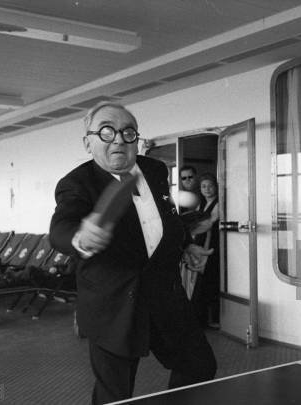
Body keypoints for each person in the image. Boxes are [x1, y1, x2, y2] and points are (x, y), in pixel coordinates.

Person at [49, 101, 217, 405]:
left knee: (199, 366)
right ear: (88, 142)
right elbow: (60, 229)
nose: (118, 139)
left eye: (128, 132)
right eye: (107, 131)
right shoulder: (76, 184)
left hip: (165, 298)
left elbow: (160, 221)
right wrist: (80, 237)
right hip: (114, 306)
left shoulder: (154, 170)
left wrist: (182, 246)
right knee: (114, 395)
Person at [190, 173, 220, 328]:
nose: (207, 189)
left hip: (213, 244)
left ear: (216, 186)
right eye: (203, 186)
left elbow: (210, 221)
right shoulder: (200, 204)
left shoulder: (219, 203)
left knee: (211, 280)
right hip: (200, 242)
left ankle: (214, 319)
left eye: (210, 185)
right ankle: (201, 319)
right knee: (200, 281)